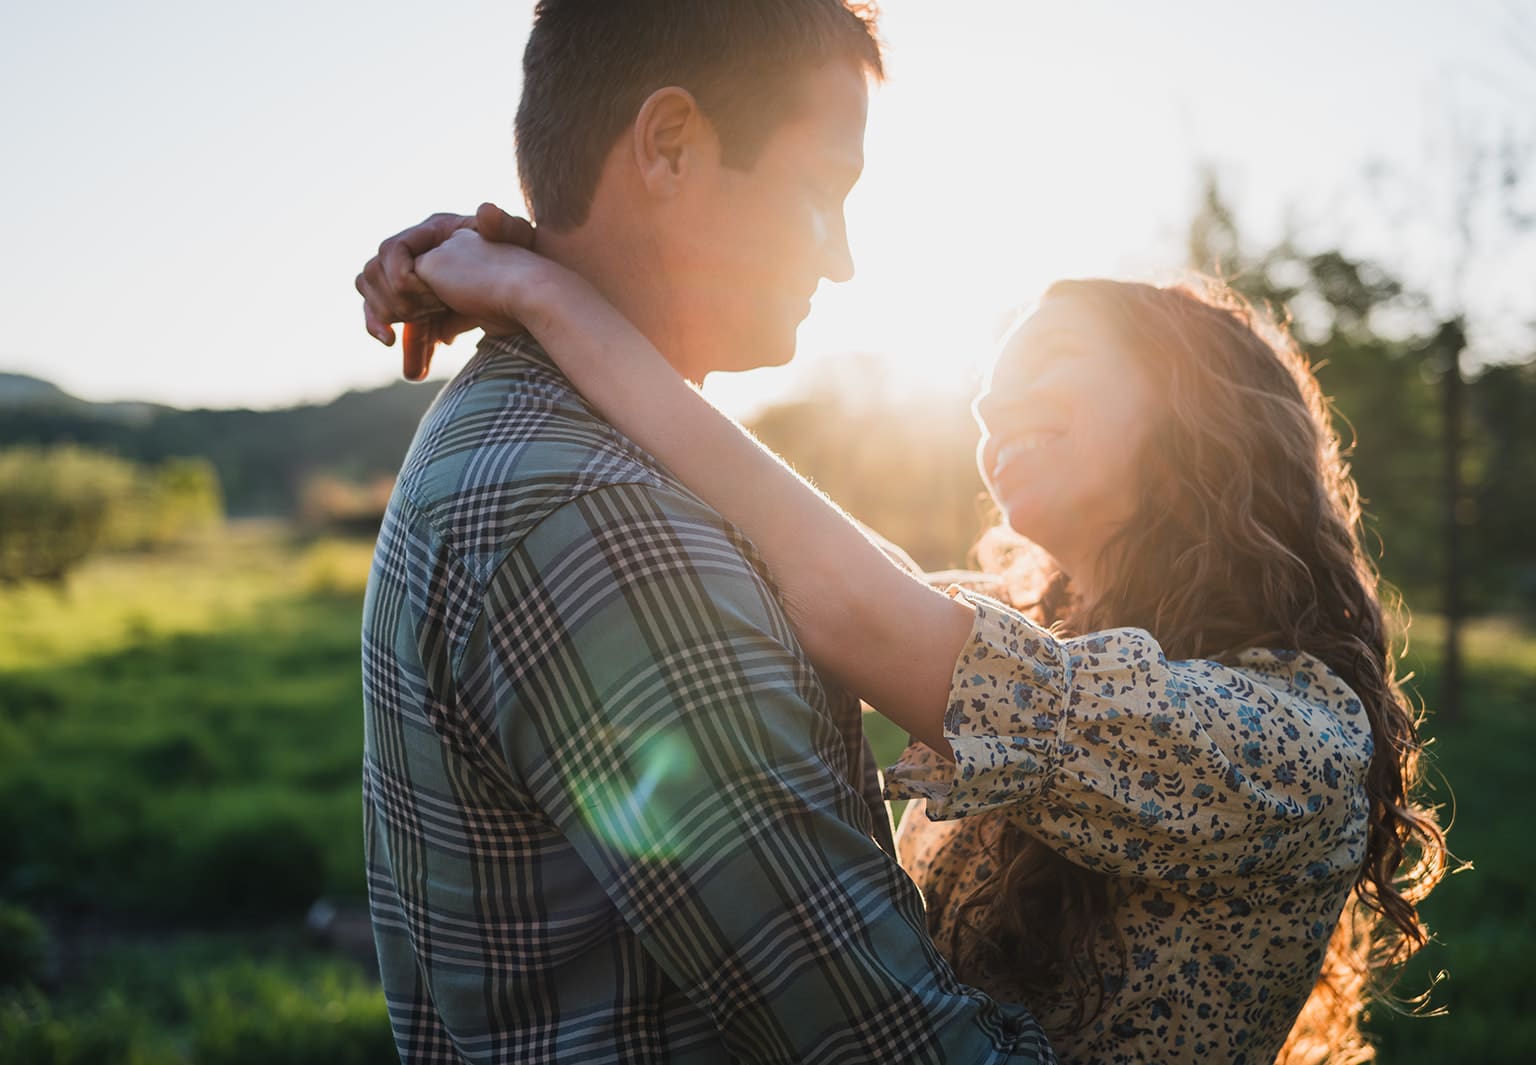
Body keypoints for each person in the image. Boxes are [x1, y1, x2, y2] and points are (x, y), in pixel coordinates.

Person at [359, 224, 1448, 1064]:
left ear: (1192, 410)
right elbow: (786, 546)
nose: (988, 399)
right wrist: (555, 256)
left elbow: (847, 599)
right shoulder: (1040, 633)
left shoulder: (1292, 744)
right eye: (984, 382)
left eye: (1051, 358)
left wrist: (549, 292)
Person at [355, 2, 1058, 1063]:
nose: (843, 260)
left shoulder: (545, 437)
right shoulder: (601, 520)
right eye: (821, 189)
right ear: (671, 144)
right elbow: (890, 1045)